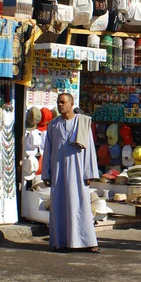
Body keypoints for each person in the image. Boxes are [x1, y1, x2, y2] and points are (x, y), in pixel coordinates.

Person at [42, 93, 100, 253]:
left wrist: (89, 172)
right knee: (60, 205)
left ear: (71, 103)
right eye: (58, 102)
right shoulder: (53, 125)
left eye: (63, 102)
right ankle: (61, 241)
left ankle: (87, 242)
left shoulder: (82, 122)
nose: (60, 105)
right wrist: (46, 173)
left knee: (80, 204)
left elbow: (89, 149)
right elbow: (48, 150)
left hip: (78, 171)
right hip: (58, 172)